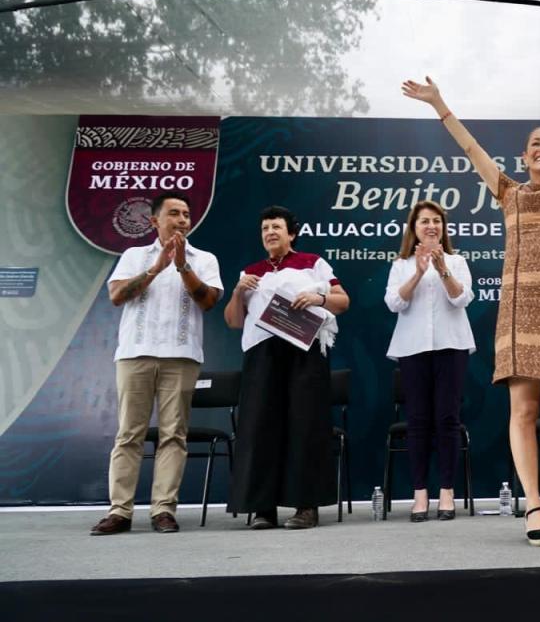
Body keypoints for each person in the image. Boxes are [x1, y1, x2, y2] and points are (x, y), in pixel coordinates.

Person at [402, 66, 540, 546]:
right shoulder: (508, 192)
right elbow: (469, 149)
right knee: (523, 410)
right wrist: (439, 103)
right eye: (536, 143)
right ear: (524, 157)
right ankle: (533, 507)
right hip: (521, 310)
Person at [90, 192, 223, 535]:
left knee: (173, 436)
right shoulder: (134, 255)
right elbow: (117, 296)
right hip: (136, 354)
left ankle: (163, 510)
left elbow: (208, 301)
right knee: (128, 434)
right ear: (154, 221)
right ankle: (120, 511)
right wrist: (155, 268)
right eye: (174, 213)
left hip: (181, 356)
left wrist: (181, 266)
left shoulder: (204, 258)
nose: (182, 220)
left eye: (186, 215)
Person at [224, 205, 350, 529]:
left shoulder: (312, 263)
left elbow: (342, 300)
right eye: (265, 228)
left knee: (305, 426)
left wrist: (317, 299)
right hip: (261, 356)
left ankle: (305, 506)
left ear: (291, 233)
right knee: (260, 427)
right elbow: (234, 321)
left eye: (276, 227)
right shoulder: (251, 272)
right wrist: (239, 292)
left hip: (304, 353)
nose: (270, 232)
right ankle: (262, 508)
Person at [385, 200, 475, 521]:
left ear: (443, 228)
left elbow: (462, 298)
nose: (431, 226)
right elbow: (394, 302)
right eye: (424, 221)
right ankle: (420, 492)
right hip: (413, 348)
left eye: (436, 221)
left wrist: (441, 269)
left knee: (447, 419)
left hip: (452, 347)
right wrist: (419, 272)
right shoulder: (401, 265)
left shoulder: (456, 260)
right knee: (419, 421)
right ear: (414, 228)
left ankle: (447, 492)